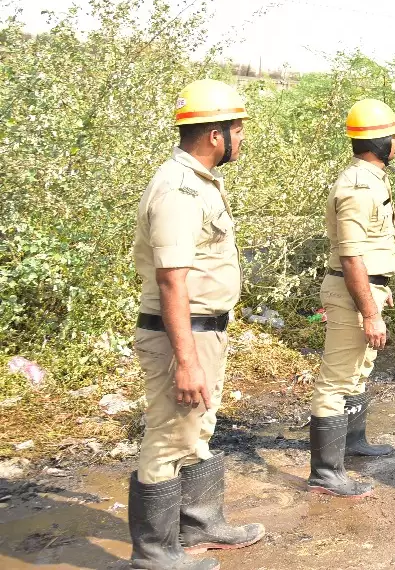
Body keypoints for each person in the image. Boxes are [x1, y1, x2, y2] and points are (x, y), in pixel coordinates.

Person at [130, 80, 263, 570]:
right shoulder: (178, 189)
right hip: (181, 335)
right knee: (169, 437)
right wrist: (186, 362)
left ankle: (201, 524)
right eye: (238, 128)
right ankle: (156, 554)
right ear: (214, 135)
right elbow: (171, 281)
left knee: (196, 427)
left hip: (203, 330)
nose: (242, 137)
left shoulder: (199, 182)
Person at [308, 99, 395, 497]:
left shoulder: (372, 180)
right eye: (394, 138)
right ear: (382, 143)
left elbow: (371, 249)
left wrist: (380, 289)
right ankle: (325, 473)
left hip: (366, 289)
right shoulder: (357, 187)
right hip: (351, 294)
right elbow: (350, 256)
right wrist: (369, 310)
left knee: (358, 372)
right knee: (336, 380)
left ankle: (352, 443)